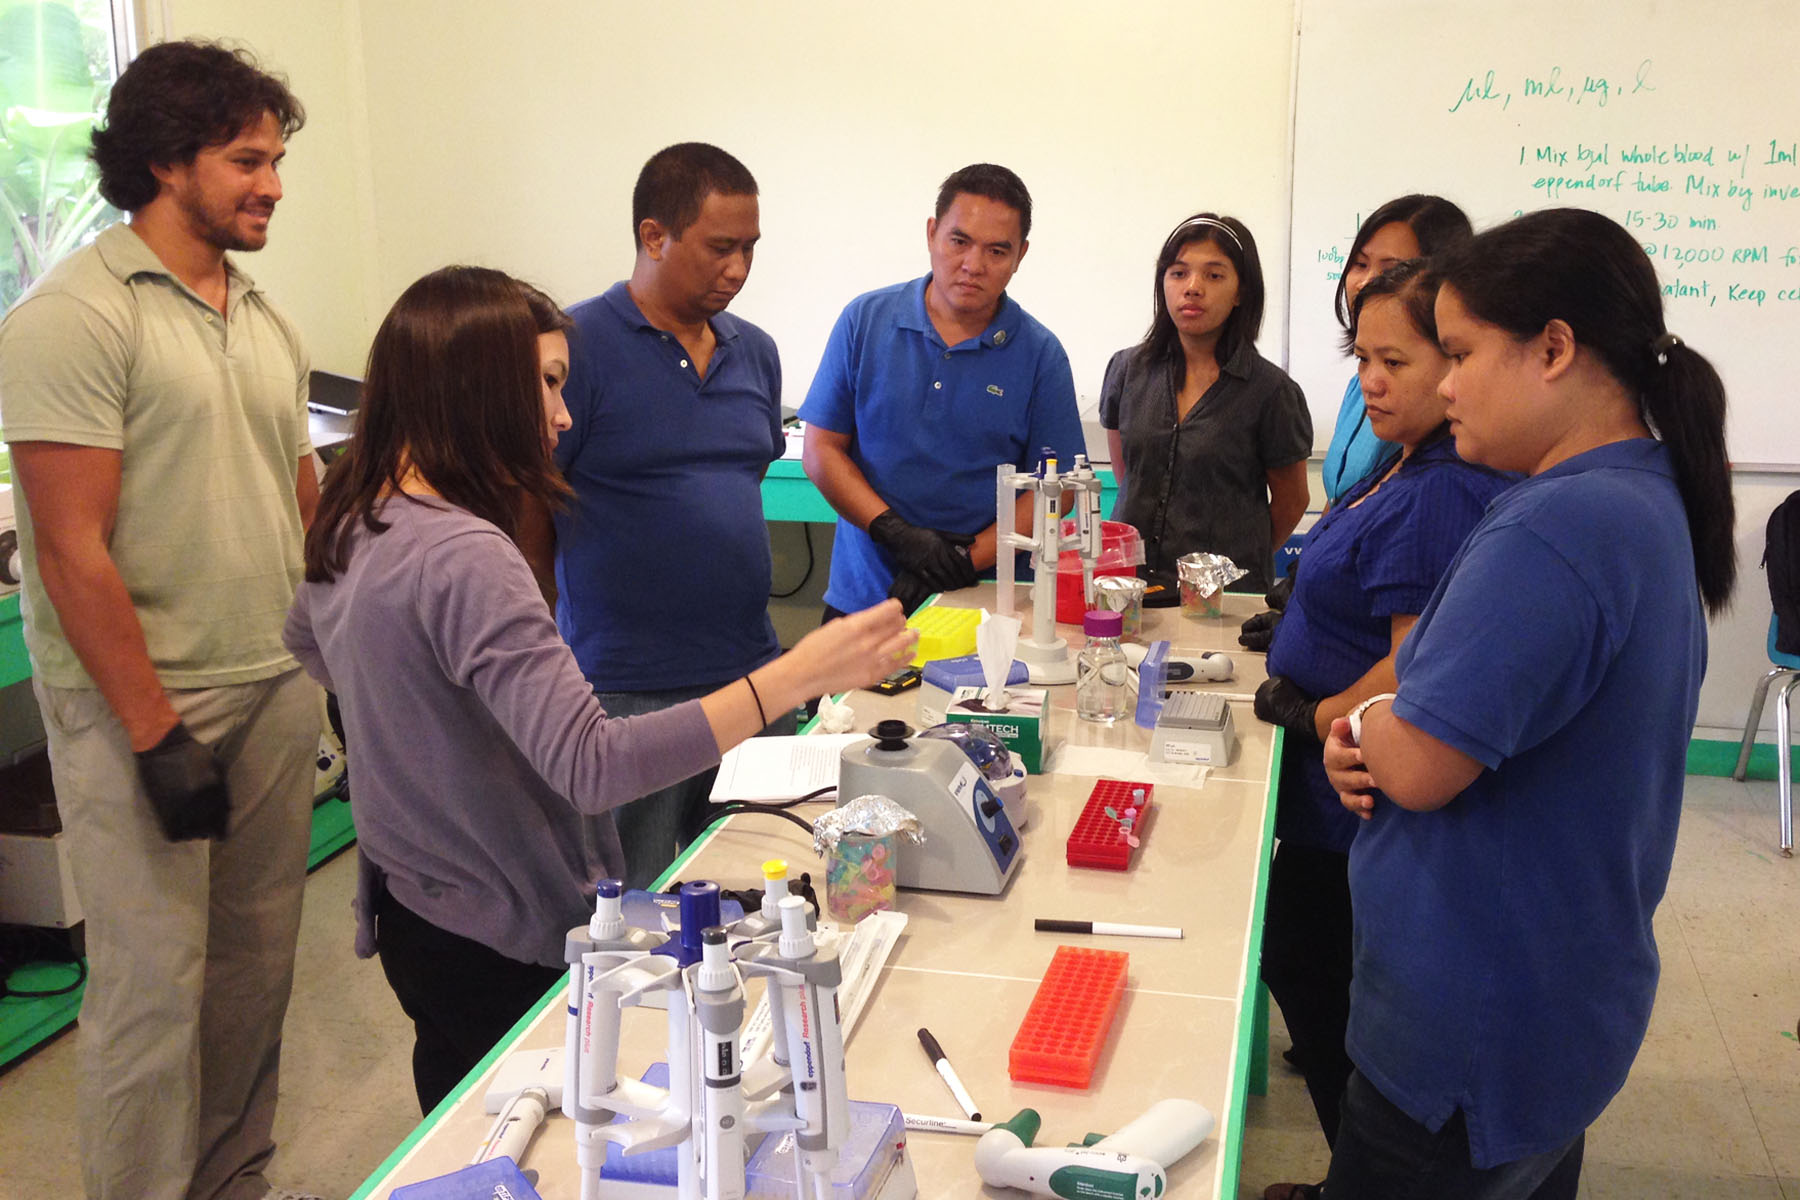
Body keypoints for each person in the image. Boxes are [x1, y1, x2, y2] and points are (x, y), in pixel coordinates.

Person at [284, 267, 913, 1113]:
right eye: (545, 384)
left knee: (462, 1113)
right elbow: (593, 764)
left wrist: (433, 733)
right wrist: (801, 671)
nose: (563, 414)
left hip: (414, 908)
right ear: (475, 387)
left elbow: (310, 645)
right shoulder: (464, 554)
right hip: (495, 927)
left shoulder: (357, 514)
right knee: (534, 1127)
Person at [1322, 208, 1736, 1199]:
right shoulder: (1634, 491)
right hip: (1550, 1006)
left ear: (1553, 348)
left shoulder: (1559, 526)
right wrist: (1389, 722)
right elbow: (1458, 671)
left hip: (1467, 1030)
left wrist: (1366, 725)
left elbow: (1419, 765)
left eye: (1460, 353)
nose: (1445, 383)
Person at [0, 40, 321, 1200]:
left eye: (276, 159)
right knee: (151, 991)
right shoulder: (73, 319)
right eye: (247, 160)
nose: (272, 184)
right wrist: (151, 733)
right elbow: (73, 549)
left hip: (273, 686)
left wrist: (329, 646)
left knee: (253, 972)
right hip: (149, 707)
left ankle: (235, 1182)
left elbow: (295, 487)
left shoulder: (261, 313)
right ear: (163, 161)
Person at [1248, 262, 1515, 1200]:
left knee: (1323, 981)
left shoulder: (1441, 491)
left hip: (1354, 802)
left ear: (1453, 363)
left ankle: (1353, 1173)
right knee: (1313, 970)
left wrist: (1313, 706)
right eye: (1361, 355)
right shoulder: (1403, 460)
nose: (1372, 379)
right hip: (1336, 792)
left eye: (1394, 359)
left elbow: (1408, 669)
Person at [543, 143, 787, 890]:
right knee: (632, 908)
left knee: (752, 891)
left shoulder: (756, 353)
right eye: (720, 247)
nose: (738, 269)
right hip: (625, 693)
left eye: (749, 248)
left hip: (750, 678)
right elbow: (527, 515)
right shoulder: (575, 348)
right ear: (655, 236)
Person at [800, 163, 1085, 618]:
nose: (974, 265)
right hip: (866, 599)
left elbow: (1058, 489)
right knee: (840, 695)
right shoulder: (865, 321)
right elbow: (821, 451)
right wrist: (893, 532)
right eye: (959, 241)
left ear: (1021, 255)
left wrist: (959, 561)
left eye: (997, 250)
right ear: (932, 233)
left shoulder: (1041, 354)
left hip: (989, 608)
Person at [1100, 213, 1311, 594]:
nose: (1192, 288)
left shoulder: (1271, 391)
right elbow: (1128, 473)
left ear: (1241, 291)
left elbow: (1292, 500)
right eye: (1178, 273)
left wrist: (1236, 555)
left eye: (1214, 275)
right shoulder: (1127, 370)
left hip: (1224, 600)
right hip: (1130, 587)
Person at [1319, 195, 1472, 505]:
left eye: (1392, 271)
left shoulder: (1447, 423)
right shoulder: (1357, 388)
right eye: (1360, 264)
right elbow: (1342, 498)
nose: (1365, 282)